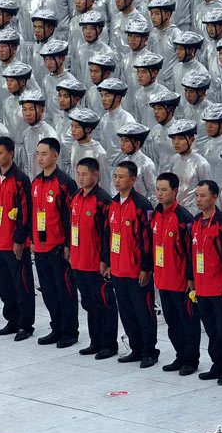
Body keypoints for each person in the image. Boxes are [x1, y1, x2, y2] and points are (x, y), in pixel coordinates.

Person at [103, 161, 158, 368]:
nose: (117, 180)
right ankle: (135, 348)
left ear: (133, 180)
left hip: (136, 271)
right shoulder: (113, 203)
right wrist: (106, 262)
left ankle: (149, 351)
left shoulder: (142, 205)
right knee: (126, 311)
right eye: (115, 176)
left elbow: (147, 240)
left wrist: (146, 268)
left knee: (143, 311)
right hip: (118, 269)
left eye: (122, 177)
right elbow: (108, 235)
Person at [0, 136, 35, 341]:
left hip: (13, 244)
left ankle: (25, 324)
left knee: (22, 285)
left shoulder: (21, 179)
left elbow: (25, 212)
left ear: (11, 154)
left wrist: (19, 240)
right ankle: (12, 320)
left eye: (0, 153)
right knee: (4, 285)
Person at [192, 180, 222, 385]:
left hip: (219, 287)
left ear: (214, 197)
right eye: (196, 196)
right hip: (202, 287)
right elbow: (191, 253)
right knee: (210, 328)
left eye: (203, 196)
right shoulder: (194, 223)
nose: (199, 200)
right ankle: (217, 363)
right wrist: (191, 280)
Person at [152, 173, 201, 376]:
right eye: (158, 189)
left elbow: (191, 251)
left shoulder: (183, 218)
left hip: (181, 282)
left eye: (164, 190)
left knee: (187, 322)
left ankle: (191, 359)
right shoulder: (156, 215)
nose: (160, 194)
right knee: (172, 323)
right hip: (163, 280)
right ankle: (180, 356)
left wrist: (190, 278)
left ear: (175, 191)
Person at [32, 137, 79, 347]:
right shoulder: (36, 182)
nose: (40, 158)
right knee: (48, 291)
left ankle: (70, 331)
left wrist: (68, 244)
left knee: (65, 291)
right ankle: (56, 327)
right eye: (38, 154)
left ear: (55, 156)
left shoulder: (64, 183)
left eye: (44, 154)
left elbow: (71, 217)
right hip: (40, 247)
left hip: (59, 247)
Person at [70, 157, 118, 358]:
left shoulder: (103, 200)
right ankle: (95, 341)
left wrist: (105, 261)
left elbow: (108, 234)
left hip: (96, 264)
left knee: (104, 304)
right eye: (78, 174)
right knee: (89, 304)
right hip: (78, 261)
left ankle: (109, 344)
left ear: (95, 175)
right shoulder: (77, 197)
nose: (81, 178)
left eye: (85, 174)